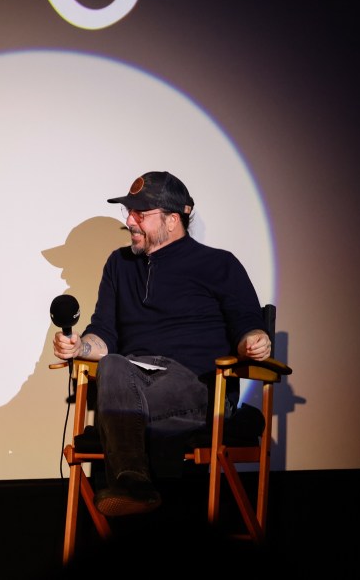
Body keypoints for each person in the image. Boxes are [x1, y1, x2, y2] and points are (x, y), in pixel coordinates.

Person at [53, 171, 272, 517]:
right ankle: (133, 483)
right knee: (112, 363)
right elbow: (103, 334)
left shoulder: (218, 264)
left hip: (198, 388)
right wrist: (80, 347)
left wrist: (253, 342)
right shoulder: (119, 265)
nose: (129, 221)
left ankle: (131, 485)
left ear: (173, 220)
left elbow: (247, 325)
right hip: (133, 383)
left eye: (140, 214)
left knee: (119, 373)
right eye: (128, 212)